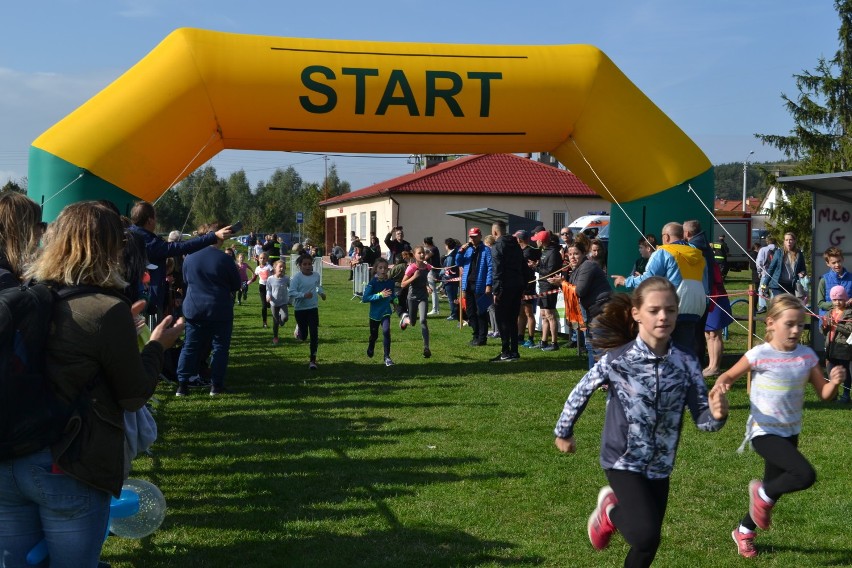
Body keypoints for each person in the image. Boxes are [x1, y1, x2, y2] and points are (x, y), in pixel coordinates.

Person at [2, 202, 184, 567]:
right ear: (107, 248)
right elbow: (133, 394)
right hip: (68, 463)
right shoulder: (104, 307)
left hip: (9, 457)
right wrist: (155, 348)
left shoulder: (25, 294)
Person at [554, 276, 728, 567]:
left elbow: (703, 422)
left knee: (648, 544)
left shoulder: (686, 362)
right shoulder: (618, 360)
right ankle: (610, 510)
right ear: (637, 313)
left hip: (660, 464)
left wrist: (719, 415)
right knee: (645, 535)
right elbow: (580, 391)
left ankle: (614, 515)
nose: (664, 317)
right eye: (655, 310)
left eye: (670, 310)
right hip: (623, 459)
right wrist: (564, 431)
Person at [711, 294, 846, 559]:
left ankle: (743, 531)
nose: (796, 330)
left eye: (800, 325)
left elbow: (824, 393)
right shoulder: (759, 354)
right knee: (803, 475)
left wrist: (835, 383)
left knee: (773, 491)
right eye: (790, 324)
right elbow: (729, 374)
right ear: (771, 323)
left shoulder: (806, 357)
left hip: (790, 434)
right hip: (764, 431)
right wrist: (723, 384)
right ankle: (760, 493)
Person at [128, 200, 232, 325]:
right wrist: (213, 236)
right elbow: (181, 247)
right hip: (145, 303)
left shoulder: (130, 235)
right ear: (150, 220)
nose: (156, 221)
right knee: (150, 339)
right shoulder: (147, 242)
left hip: (135, 300)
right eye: (155, 218)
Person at [612, 222, 707, 354]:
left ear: (666, 237)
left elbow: (648, 280)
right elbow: (705, 283)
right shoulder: (699, 255)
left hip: (673, 306)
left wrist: (625, 281)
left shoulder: (663, 252)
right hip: (697, 307)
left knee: (664, 351)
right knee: (685, 350)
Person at [175, 222, 240, 397]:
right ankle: (216, 385)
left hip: (194, 308)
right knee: (219, 347)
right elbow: (236, 284)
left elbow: (186, 281)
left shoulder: (189, 258)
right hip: (219, 308)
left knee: (190, 346)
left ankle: (182, 384)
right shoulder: (225, 259)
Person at [564, 241, 612, 369]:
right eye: (570, 254)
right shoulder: (578, 268)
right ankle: (594, 375)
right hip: (593, 310)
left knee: (599, 345)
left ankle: (604, 378)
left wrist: (561, 284)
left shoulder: (588, 266)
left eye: (576, 254)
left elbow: (579, 291)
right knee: (591, 344)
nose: (572, 257)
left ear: (584, 253)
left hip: (602, 309)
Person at [490, 221, 525, 362]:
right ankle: (514, 351)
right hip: (517, 285)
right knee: (512, 319)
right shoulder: (516, 245)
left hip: (505, 286)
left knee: (502, 319)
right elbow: (523, 266)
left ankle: (505, 351)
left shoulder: (498, 246)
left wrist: (496, 290)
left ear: (495, 233)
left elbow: (497, 269)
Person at [456, 227, 493, 346]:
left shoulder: (486, 250)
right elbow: (458, 262)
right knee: (470, 312)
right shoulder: (467, 250)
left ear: (480, 236)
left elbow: (490, 268)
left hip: (480, 285)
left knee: (480, 312)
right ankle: (475, 334)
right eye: (470, 237)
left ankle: (482, 338)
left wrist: (488, 284)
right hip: (468, 284)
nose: (472, 239)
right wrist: (461, 250)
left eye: (474, 236)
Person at [289, 254, 326, 370]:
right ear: (300, 266)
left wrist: (321, 293)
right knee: (304, 336)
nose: (307, 266)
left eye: (309, 264)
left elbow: (316, 287)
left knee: (314, 334)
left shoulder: (316, 275)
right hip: (300, 310)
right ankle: (299, 330)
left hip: (313, 308)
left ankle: (312, 360)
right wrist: (303, 295)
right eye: (304, 264)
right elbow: (291, 293)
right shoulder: (296, 278)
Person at [0, 192, 43, 289]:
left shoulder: (9, 266)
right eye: (40, 224)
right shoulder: (5, 279)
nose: (42, 231)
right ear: (21, 229)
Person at [820, 285, 852, 403]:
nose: (837, 302)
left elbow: (849, 330)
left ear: (845, 299)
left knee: (845, 373)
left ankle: (846, 395)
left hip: (844, 349)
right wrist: (824, 326)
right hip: (830, 347)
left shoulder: (848, 313)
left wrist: (836, 324)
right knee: (831, 372)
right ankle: (833, 394)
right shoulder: (829, 312)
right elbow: (823, 331)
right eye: (834, 299)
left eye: (840, 299)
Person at [401, 245, 434, 358]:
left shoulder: (427, 267)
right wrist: (413, 277)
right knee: (413, 322)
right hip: (412, 298)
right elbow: (403, 284)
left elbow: (425, 280)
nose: (421, 254)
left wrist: (428, 286)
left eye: (423, 253)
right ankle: (405, 320)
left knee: (423, 320)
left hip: (423, 297)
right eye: (419, 253)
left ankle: (426, 347)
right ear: (414, 255)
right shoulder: (411, 268)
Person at [531, 230, 562, 351]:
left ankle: (554, 343)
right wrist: (536, 266)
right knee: (544, 315)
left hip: (549, 286)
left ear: (541, 241)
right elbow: (544, 268)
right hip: (542, 285)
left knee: (550, 315)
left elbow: (550, 272)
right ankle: (544, 341)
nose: (536, 242)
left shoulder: (553, 252)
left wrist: (536, 268)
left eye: (537, 240)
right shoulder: (545, 251)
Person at [362, 258, 396, 366]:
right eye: (380, 268)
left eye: (385, 268)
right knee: (374, 335)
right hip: (375, 314)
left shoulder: (390, 282)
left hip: (386, 312)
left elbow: (392, 295)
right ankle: (371, 345)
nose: (383, 270)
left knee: (386, 332)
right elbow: (365, 298)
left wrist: (395, 301)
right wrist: (380, 295)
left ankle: (387, 357)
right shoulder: (373, 283)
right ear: (376, 269)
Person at [762, 232, 807, 300]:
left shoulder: (799, 254)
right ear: (784, 241)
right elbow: (771, 269)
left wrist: (802, 273)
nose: (789, 242)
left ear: (794, 241)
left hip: (791, 285)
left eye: (791, 240)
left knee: (789, 306)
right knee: (781, 304)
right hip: (778, 285)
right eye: (786, 240)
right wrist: (764, 284)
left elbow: (803, 269)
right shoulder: (779, 253)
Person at [516, 230, 541, 348]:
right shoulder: (522, 251)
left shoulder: (528, 251)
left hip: (528, 285)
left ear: (519, 239)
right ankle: (520, 336)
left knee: (528, 312)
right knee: (521, 312)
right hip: (520, 285)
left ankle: (531, 338)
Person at [815, 246, 852, 318]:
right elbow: (820, 303)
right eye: (833, 263)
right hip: (829, 320)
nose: (837, 265)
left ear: (842, 259)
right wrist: (837, 304)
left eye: (839, 261)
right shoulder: (824, 280)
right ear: (828, 263)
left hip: (847, 320)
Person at [266, 259, 290, 346]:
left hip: (283, 302)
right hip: (274, 303)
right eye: (280, 267)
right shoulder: (270, 279)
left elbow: (291, 288)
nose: (282, 269)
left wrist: (291, 297)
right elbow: (268, 290)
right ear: (275, 268)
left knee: (285, 318)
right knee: (275, 321)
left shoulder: (286, 279)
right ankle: (275, 337)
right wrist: (268, 296)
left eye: (283, 267)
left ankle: (281, 319)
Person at [249, 252, 273, 328]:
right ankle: (264, 322)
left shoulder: (269, 267)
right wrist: (250, 281)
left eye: (264, 258)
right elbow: (255, 277)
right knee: (264, 306)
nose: (262, 259)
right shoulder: (257, 268)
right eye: (261, 258)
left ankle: (277, 315)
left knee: (270, 304)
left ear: (267, 259)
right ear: (258, 259)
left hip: (270, 287)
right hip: (262, 287)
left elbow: (274, 274)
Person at [754, 235, 777, 314]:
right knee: (773, 290)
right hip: (775, 276)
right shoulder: (778, 250)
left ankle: (762, 305)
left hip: (765, 275)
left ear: (767, 241)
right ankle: (773, 307)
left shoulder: (763, 250)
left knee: (761, 289)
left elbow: (759, 262)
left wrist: (759, 271)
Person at [442, 238, 461, 321]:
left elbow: (447, 268)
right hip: (454, 278)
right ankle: (456, 313)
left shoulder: (450, 256)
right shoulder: (455, 253)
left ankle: (454, 314)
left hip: (449, 279)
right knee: (454, 297)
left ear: (447, 245)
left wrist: (440, 274)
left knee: (451, 298)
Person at [424, 236, 442, 316]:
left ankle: (435, 309)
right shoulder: (434, 248)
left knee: (433, 290)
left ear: (426, 243)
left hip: (432, 271)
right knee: (433, 290)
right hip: (433, 270)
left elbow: (425, 257)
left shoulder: (433, 249)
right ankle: (436, 309)